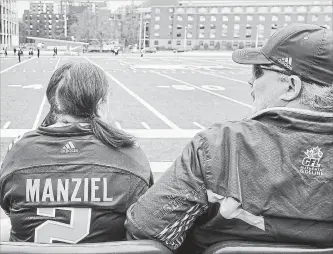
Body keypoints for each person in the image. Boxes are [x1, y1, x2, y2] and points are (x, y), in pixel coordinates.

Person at [125, 24, 333, 253]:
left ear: (291, 86)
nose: (251, 82)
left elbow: (146, 230)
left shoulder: (220, 146)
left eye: (259, 72)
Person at [0, 62, 153, 243]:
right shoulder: (130, 154)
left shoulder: (19, 150)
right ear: (99, 103)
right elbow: (143, 220)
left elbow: (11, 209)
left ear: (53, 101)